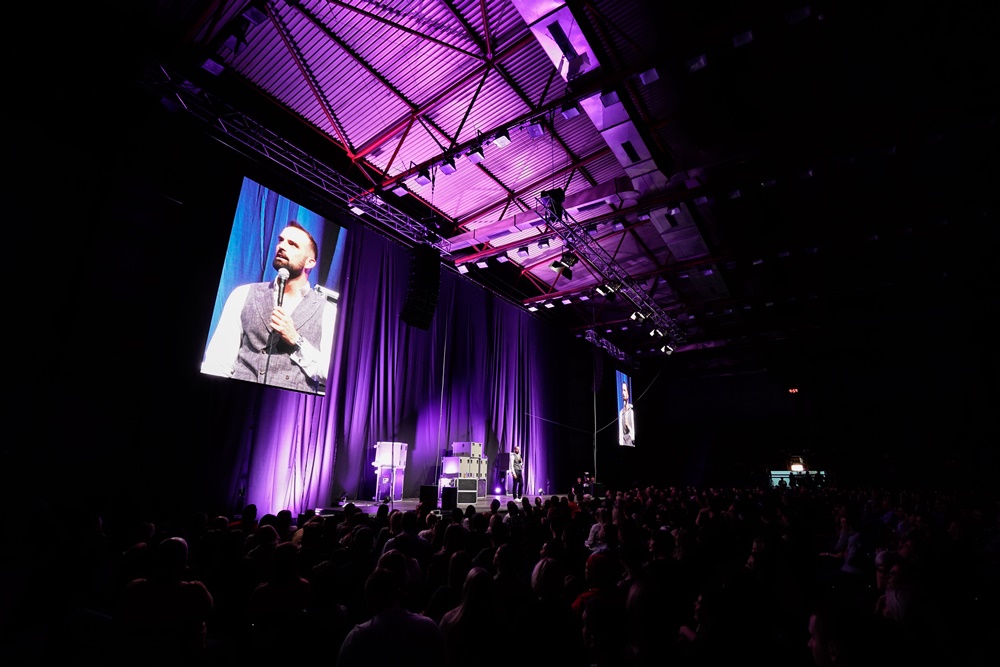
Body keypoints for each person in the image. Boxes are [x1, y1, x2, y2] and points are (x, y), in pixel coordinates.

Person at [202, 221, 337, 394]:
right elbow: (218, 361)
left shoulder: (327, 312)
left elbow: (329, 372)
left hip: (290, 411)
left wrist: (296, 340)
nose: (282, 246)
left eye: (293, 244)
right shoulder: (243, 294)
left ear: (310, 263)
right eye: (281, 240)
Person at [618, 380, 635, 446]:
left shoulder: (632, 411)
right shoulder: (621, 413)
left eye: (624, 390)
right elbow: (620, 433)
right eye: (622, 390)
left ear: (628, 393)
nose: (623, 392)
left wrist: (628, 426)